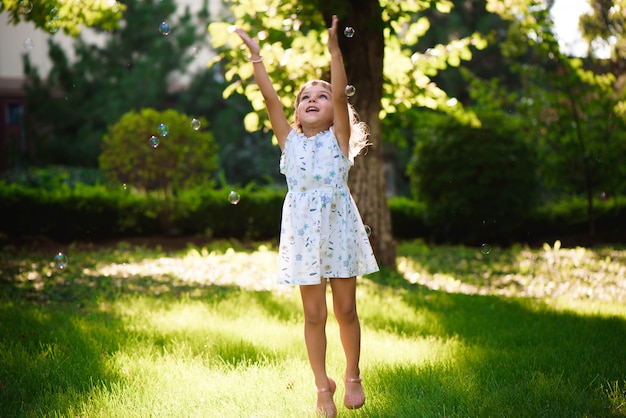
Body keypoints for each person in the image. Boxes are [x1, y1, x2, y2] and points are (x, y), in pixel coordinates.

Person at [235, 15, 379, 417]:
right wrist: (256, 57)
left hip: (339, 230)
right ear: (297, 113)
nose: (313, 99)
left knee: (345, 310)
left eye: (321, 95)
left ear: (334, 111)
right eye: (304, 97)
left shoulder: (338, 140)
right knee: (314, 314)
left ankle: (352, 374)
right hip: (303, 236)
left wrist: (334, 52)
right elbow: (270, 100)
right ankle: (322, 387)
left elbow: (338, 97)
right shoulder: (289, 142)